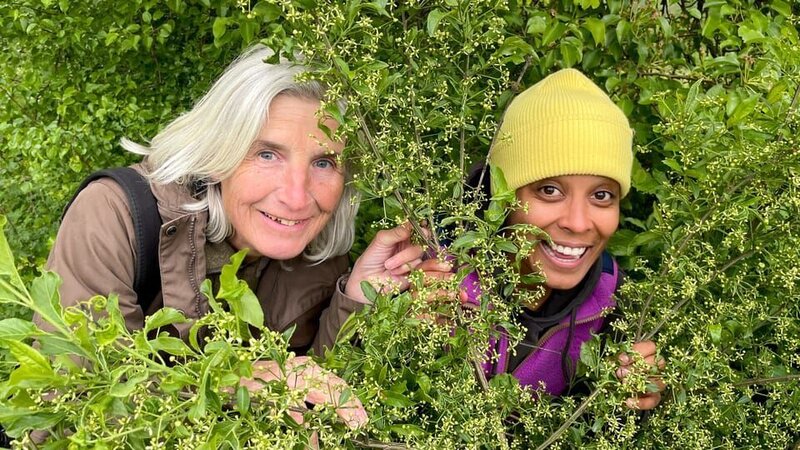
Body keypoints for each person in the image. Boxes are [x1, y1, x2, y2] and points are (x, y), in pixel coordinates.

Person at [35, 45, 443, 428]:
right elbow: (79, 401)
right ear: (219, 155)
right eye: (267, 155)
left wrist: (358, 296)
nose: (297, 197)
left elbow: (318, 398)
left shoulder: (314, 255)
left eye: (323, 162)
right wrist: (230, 382)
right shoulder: (115, 214)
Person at [453, 68, 665, 410]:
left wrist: (638, 406)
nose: (579, 223)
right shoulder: (436, 278)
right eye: (549, 190)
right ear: (500, 195)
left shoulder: (615, 305)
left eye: (601, 196)